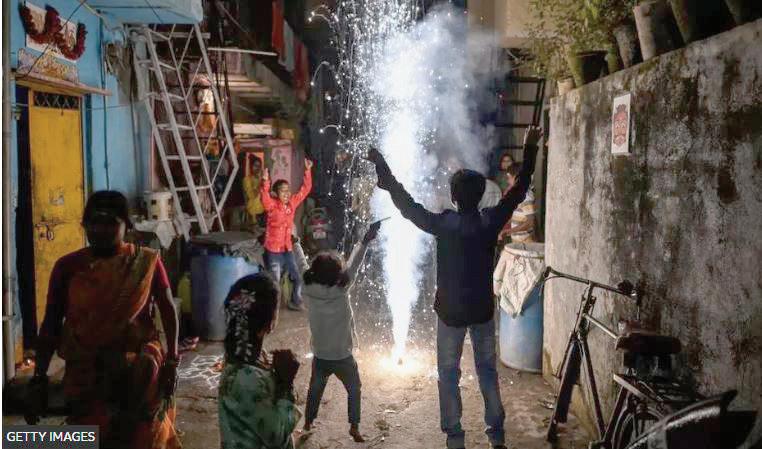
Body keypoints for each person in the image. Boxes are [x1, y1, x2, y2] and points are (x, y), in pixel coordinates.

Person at [367, 127, 541, 449]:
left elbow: (407, 206)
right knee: (487, 371)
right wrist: (530, 149)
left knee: (448, 373)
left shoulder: (443, 224)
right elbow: (519, 188)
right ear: (480, 195)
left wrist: (384, 171)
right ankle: (496, 436)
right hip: (481, 310)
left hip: (449, 312)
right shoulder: (490, 221)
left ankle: (455, 438)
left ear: (453, 196)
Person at [28, 190, 181, 449]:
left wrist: (172, 361)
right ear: (84, 225)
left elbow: (168, 309)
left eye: (110, 222)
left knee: (140, 434)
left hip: (138, 373)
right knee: (85, 437)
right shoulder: (68, 267)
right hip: (87, 370)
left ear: (126, 226)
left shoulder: (144, 262)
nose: (101, 230)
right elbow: (51, 322)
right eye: (94, 222)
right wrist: (39, 377)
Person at [301, 220, 382, 443]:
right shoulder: (342, 287)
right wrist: (365, 240)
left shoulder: (308, 288)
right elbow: (355, 263)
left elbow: (300, 264)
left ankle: (307, 423)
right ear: (337, 274)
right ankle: (354, 427)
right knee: (354, 389)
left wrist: (295, 244)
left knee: (315, 390)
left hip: (320, 355)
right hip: (343, 356)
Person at [218, 273, 301, 449]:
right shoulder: (249, 379)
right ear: (269, 323)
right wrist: (286, 384)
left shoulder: (240, 359)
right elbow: (277, 436)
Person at [260, 159, 313, 310]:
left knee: (297, 277)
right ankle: (271, 308)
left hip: (287, 249)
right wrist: (265, 181)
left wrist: (307, 171)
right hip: (273, 251)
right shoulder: (271, 205)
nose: (287, 193)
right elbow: (264, 197)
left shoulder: (292, 204)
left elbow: (305, 190)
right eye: (283, 190)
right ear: (276, 193)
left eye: (288, 190)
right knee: (274, 282)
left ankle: (295, 301)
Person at [497, 164, 536, 244]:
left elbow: (530, 222)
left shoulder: (526, 196)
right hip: (519, 242)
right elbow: (518, 216)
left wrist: (508, 231)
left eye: (509, 178)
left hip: (525, 243)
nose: (508, 181)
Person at [242, 155, 266, 229]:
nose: (257, 168)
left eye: (259, 166)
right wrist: (260, 183)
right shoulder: (247, 180)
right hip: (252, 213)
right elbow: (252, 195)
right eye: (255, 166)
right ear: (251, 167)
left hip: (263, 212)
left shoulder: (262, 179)